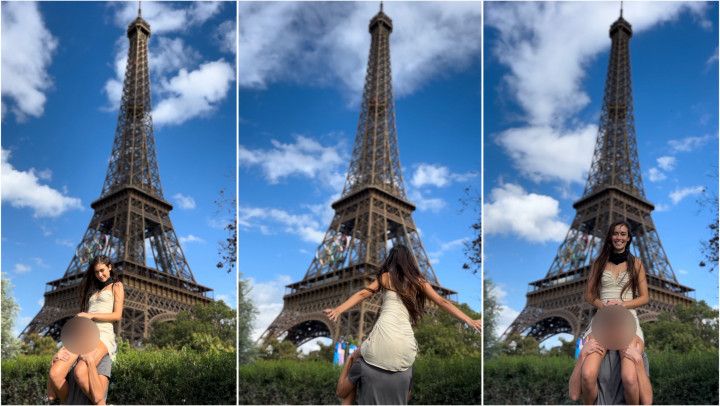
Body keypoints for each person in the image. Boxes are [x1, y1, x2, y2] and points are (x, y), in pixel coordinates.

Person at [325, 244, 481, 404]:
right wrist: (469, 320)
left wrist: (338, 310)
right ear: (411, 262)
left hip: (380, 343)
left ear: (392, 261)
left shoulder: (386, 277)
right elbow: (442, 301)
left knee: (356, 359)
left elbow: (363, 293)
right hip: (406, 348)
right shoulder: (419, 282)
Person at [580, 221, 650, 405]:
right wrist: (604, 306)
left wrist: (622, 304)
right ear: (611, 237)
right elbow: (589, 295)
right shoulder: (599, 262)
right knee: (587, 375)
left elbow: (644, 298)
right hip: (603, 320)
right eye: (616, 233)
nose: (619, 237)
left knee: (629, 378)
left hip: (627, 320)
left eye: (623, 234)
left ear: (628, 238)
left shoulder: (636, 264)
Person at [48, 255, 125, 403]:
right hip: (83, 334)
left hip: (102, 335)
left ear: (109, 267)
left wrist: (90, 315)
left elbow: (117, 315)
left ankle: (100, 403)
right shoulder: (94, 292)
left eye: (102, 270)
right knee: (55, 373)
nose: (100, 275)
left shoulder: (117, 286)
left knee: (80, 372)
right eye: (96, 272)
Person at [569, 337, 652, 405]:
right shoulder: (591, 352)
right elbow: (574, 395)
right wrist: (582, 355)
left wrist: (638, 360)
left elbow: (647, 401)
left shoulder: (636, 353)